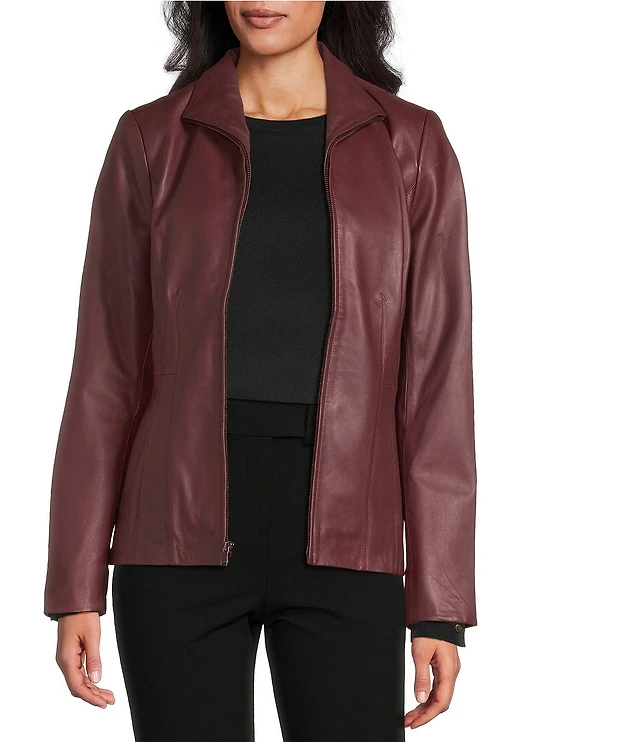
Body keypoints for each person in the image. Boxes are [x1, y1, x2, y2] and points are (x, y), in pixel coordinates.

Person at [44, 2, 477, 739]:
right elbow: (105, 371)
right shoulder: (151, 140)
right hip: (174, 532)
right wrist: (75, 584)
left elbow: (436, 385)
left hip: (350, 533)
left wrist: (440, 604)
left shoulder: (411, 146)